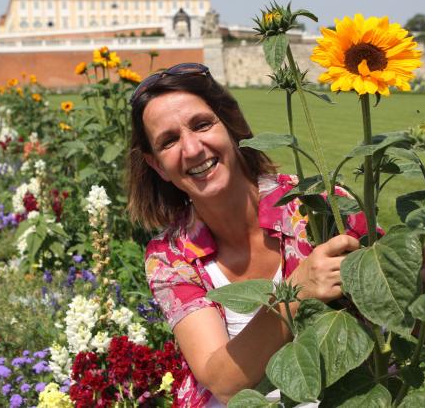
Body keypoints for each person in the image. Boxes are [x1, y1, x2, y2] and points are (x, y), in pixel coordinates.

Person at [127, 63, 371, 407]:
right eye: (169, 141)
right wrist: (297, 291)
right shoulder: (170, 255)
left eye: (202, 125)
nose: (193, 149)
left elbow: (404, 308)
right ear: (157, 166)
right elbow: (223, 383)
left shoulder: (318, 206)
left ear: (231, 126)